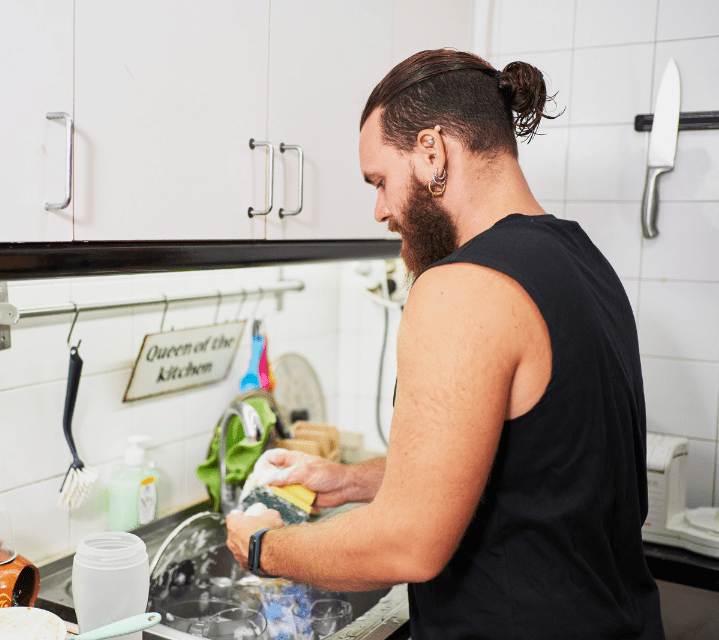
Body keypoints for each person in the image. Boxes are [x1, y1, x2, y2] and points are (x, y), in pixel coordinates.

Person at [225, 49, 665, 639]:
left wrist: (264, 548)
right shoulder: (582, 261)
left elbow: (409, 543)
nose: (380, 210)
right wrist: (353, 481)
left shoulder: (459, 287)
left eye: (380, 181)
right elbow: (539, 471)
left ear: (432, 152)